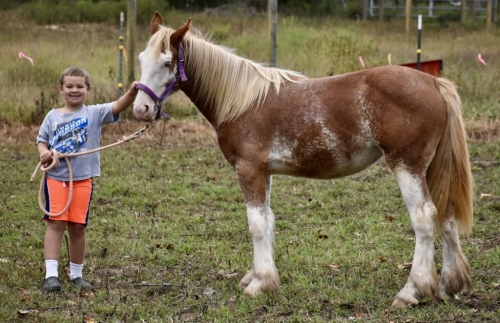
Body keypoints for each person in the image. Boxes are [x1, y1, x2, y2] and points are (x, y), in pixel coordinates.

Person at [36, 67, 138, 291]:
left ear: (88, 89)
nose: (74, 90)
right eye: (70, 86)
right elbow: (41, 140)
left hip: (83, 180)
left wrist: (132, 92)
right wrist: (44, 151)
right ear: (61, 89)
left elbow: (117, 106)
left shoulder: (94, 113)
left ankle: (76, 274)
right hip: (56, 178)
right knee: (56, 224)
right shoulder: (52, 116)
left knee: (78, 227)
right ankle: (51, 275)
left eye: (79, 86)